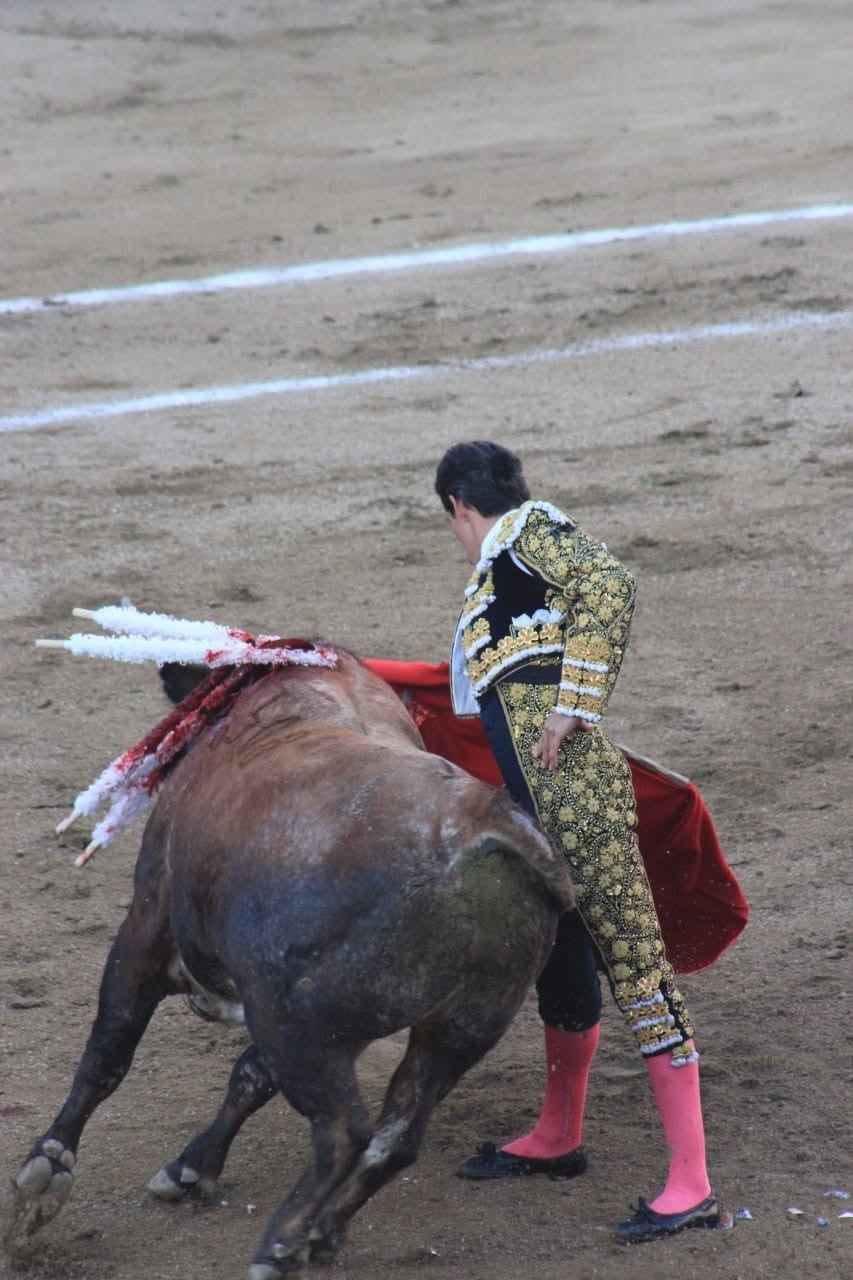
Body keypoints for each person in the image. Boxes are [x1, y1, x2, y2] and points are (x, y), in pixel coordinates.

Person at [434, 440, 720, 1243]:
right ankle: (558, 1137)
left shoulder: (525, 530)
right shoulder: (497, 573)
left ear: (459, 505)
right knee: (561, 964)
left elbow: (609, 580)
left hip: (577, 801)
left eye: (452, 523)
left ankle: (692, 1183)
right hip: (536, 811)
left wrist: (576, 703)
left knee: (635, 969)